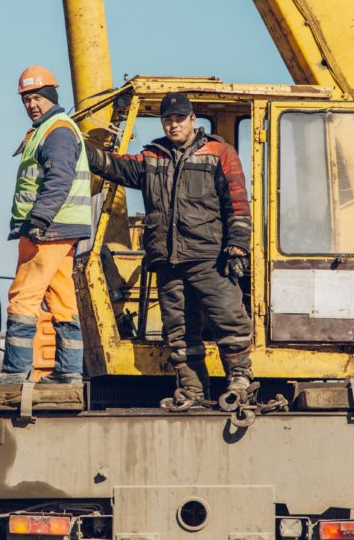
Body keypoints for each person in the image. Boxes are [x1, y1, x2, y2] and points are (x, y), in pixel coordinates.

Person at [86, 91, 253, 406]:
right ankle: (192, 390)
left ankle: (241, 380)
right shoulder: (152, 158)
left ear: (192, 119)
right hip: (167, 261)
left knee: (228, 317)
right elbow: (113, 166)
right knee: (178, 332)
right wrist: (78, 147)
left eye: (179, 119)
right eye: (167, 120)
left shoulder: (220, 152)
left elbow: (238, 204)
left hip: (208, 258)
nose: (173, 125)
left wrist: (238, 247)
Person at [0, 65, 92, 385]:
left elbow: (59, 179)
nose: (31, 104)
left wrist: (39, 220)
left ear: (51, 96)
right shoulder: (53, 128)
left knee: (23, 294)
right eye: (26, 99)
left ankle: (15, 371)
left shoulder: (56, 131)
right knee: (62, 299)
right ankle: (69, 371)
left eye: (37, 97)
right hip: (62, 228)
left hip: (48, 228)